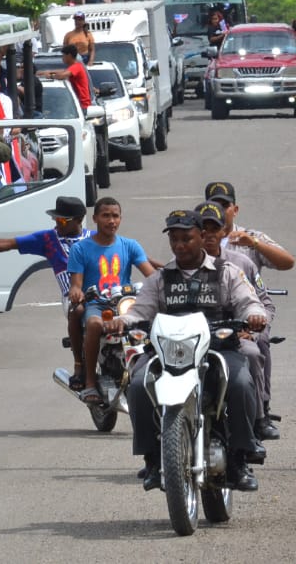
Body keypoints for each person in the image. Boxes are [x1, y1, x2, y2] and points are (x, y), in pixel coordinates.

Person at [106, 208, 267, 492]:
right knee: (139, 384)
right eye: (175, 240)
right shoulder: (161, 278)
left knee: (241, 383)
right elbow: (140, 310)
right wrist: (122, 321)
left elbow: (248, 302)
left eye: (186, 238)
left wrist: (254, 315)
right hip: (169, 351)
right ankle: (153, 461)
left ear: (202, 237)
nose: (179, 245)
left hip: (217, 346)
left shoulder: (226, 272)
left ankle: (239, 459)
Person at [0, 196, 94, 390]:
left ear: (78, 220)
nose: (56, 224)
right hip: (73, 298)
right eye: (55, 220)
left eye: (62, 221)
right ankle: (79, 365)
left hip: (98, 294)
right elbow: (8, 244)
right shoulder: (48, 240)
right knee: (76, 311)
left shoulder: (94, 239)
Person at [206, 180, 293, 440]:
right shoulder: (189, 249)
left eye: (225, 206)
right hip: (205, 325)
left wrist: (253, 242)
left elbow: (287, 262)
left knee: (257, 346)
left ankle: (260, 413)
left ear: (234, 209)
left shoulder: (242, 253)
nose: (210, 234)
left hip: (245, 318)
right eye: (213, 207)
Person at [66, 197, 156, 404]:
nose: (111, 220)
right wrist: (76, 292)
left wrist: (163, 286)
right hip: (97, 304)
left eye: (115, 216)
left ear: (121, 219)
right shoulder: (80, 249)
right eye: (106, 216)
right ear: (95, 218)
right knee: (94, 323)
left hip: (125, 302)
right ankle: (89, 382)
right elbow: (76, 284)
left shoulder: (130, 245)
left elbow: (151, 275)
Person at [196, 200, 273, 441]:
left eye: (214, 228)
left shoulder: (241, 265)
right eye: (202, 229)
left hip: (234, 339)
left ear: (223, 232)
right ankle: (157, 455)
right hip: (191, 341)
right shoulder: (179, 266)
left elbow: (262, 303)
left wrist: (254, 327)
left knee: (251, 353)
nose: (208, 235)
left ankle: (255, 425)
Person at [40, 44, 91, 109]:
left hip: (83, 105)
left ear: (69, 56)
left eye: (63, 56)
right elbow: (63, 71)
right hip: (77, 104)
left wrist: (51, 76)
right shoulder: (74, 67)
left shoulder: (77, 67)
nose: (62, 58)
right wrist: (47, 72)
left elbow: (62, 75)